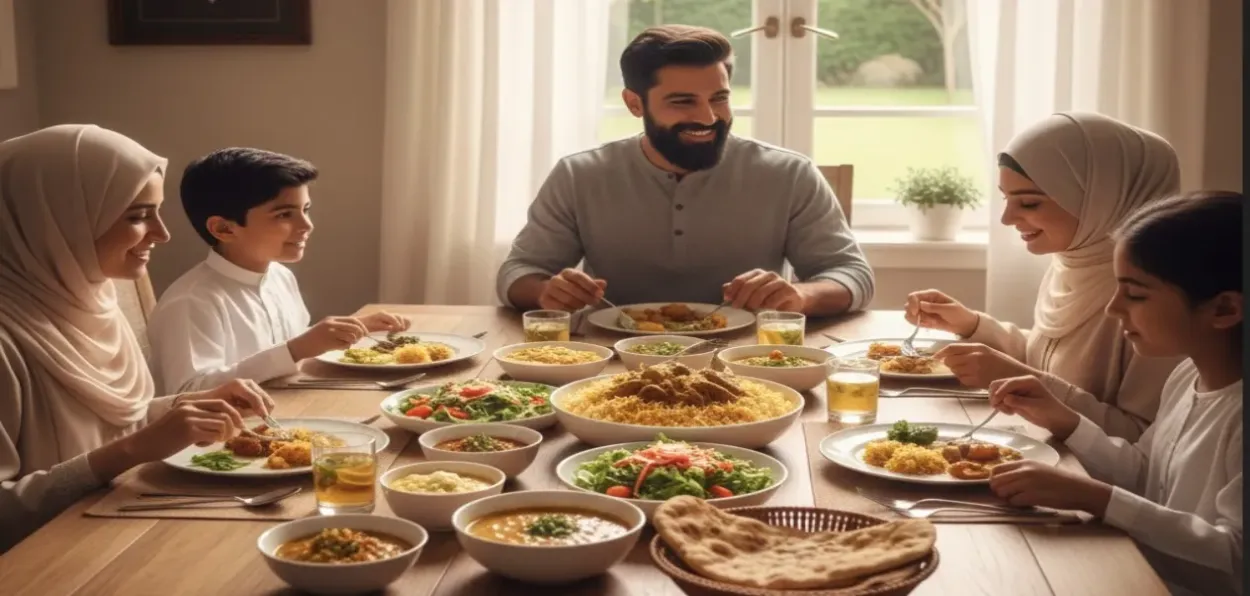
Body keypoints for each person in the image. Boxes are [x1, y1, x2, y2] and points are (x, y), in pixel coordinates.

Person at [0, 125, 274, 552]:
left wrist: (183, 408)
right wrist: (130, 450)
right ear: (55, 220)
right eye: (137, 215)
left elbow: (107, 425)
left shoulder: (89, 301)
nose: (162, 233)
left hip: (115, 535)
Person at [497, 25, 873, 316]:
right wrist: (544, 291)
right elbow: (518, 273)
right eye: (682, 102)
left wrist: (801, 296)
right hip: (609, 360)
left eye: (719, 98)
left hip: (749, 363)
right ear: (634, 104)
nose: (708, 117)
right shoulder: (579, 174)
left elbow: (851, 275)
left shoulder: (790, 173)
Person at [985, 191, 1242, 596]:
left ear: (1224, 309)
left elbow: (1235, 562)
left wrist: (1097, 498)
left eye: (1135, 294)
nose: (1113, 308)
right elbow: (1147, 476)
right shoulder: (1187, 374)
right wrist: (1064, 420)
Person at [906, 112, 1183, 440]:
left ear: (1099, 197)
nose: (1007, 218)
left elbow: (1143, 441)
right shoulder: (1074, 261)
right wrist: (973, 325)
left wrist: (1027, 382)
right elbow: (1048, 360)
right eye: (1007, 199)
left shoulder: (1157, 296)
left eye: (1029, 203)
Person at [146, 148, 410, 393]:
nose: (307, 225)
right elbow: (189, 393)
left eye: (305, 210)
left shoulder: (280, 276)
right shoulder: (191, 302)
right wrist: (295, 350)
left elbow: (288, 347)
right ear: (224, 229)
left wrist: (353, 328)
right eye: (284, 215)